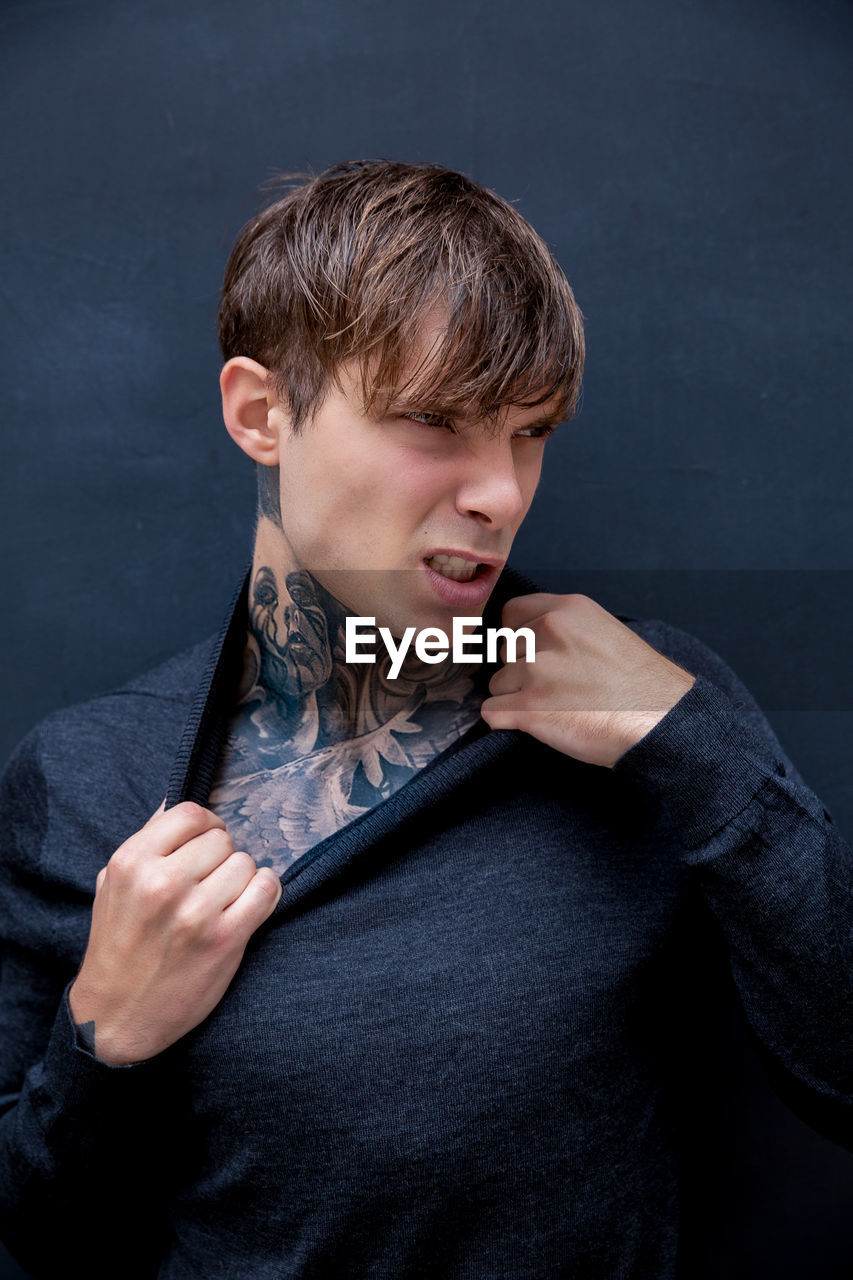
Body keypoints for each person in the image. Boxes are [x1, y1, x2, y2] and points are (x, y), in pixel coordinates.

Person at [0, 159, 850, 1280]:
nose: (499, 489)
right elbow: (33, 1243)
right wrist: (99, 1042)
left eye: (530, 430)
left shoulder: (650, 709)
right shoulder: (88, 778)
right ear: (261, 412)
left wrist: (694, 745)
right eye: (432, 419)